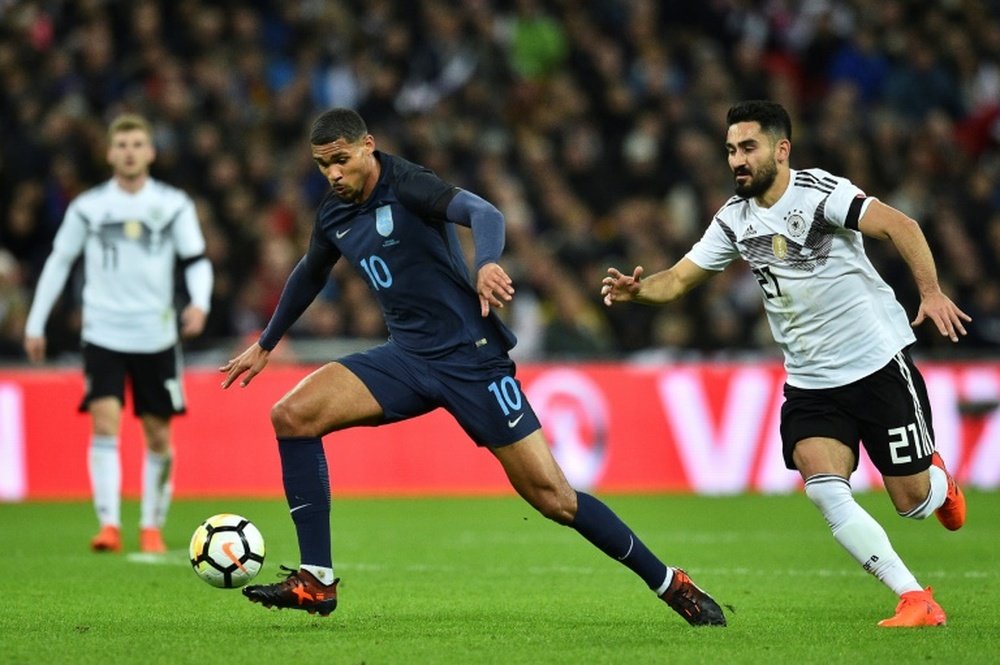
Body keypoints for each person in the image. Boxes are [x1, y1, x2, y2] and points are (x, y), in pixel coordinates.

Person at [220, 107, 726, 626]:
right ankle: (317, 580)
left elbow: (486, 213)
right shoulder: (333, 213)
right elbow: (309, 273)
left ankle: (670, 583)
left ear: (368, 145)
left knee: (554, 498)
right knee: (292, 415)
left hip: (472, 360)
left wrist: (485, 263)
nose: (332, 174)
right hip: (407, 357)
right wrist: (266, 342)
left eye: (341, 160)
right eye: (323, 165)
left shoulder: (409, 184)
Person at [602, 99, 970, 628]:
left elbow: (901, 225)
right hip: (811, 381)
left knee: (911, 501)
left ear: (781, 149)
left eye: (748, 148)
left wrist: (931, 292)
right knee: (823, 486)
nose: (737, 160)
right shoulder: (733, 220)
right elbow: (679, 279)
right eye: (730, 150)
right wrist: (640, 291)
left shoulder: (820, 194)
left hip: (875, 364)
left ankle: (939, 483)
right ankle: (915, 597)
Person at [24, 113, 213, 554]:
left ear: (150, 151)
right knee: (104, 420)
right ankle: (108, 524)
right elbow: (58, 261)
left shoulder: (172, 204)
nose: (129, 152)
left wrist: (199, 302)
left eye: (137, 144)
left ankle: (151, 526)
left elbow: (197, 259)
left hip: (156, 334)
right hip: (103, 332)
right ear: (110, 153)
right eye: (121, 145)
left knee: (157, 433)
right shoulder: (88, 207)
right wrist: (36, 322)